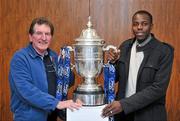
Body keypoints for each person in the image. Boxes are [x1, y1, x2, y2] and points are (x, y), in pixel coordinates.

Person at [102, 10, 174, 121]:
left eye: (144, 24)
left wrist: (124, 104)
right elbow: (114, 79)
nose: (139, 27)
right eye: (135, 24)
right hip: (123, 115)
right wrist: (112, 63)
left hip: (149, 115)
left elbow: (158, 89)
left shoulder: (164, 51)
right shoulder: (125, 46)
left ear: (151, 26)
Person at [9, 17, 82, 121]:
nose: (44, 38)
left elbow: (68, 83)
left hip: (51, 116)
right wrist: (56, 103)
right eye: (39, 33)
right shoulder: (20, 58)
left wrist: (65, 65)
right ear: (30, 37)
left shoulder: (54, 57)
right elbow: (26, 90)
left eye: (47, 34)